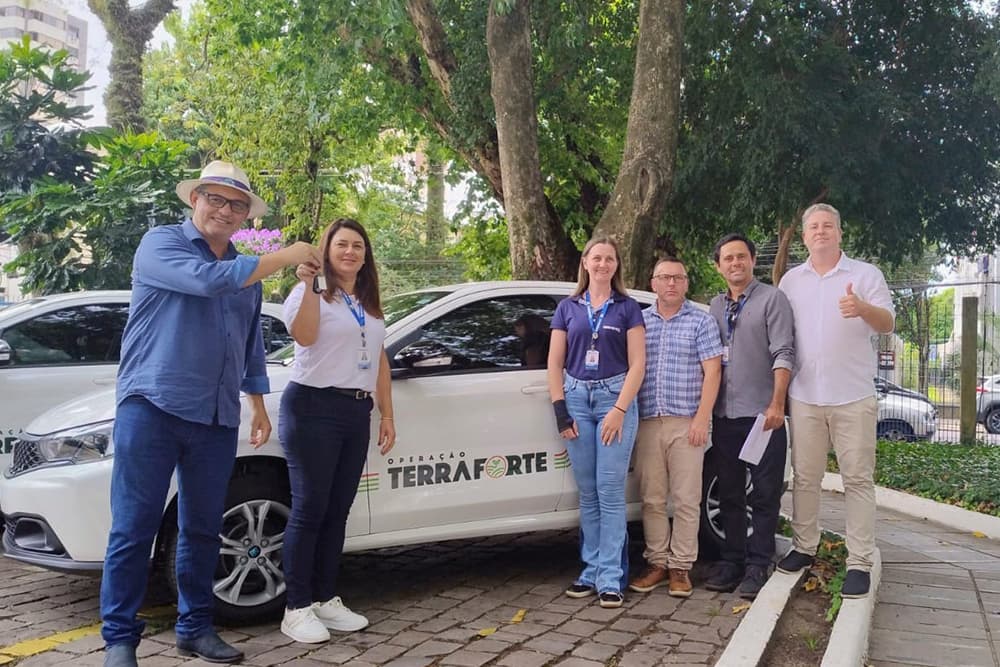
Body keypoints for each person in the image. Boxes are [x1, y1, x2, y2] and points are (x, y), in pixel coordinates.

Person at [101, 161, 322, 667]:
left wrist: (257, 404)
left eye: (237, 204)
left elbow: (248, 344)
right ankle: (119, 639)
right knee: (133, 528)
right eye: (215, 199)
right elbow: (206, 281)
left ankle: (195, 627)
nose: (224, 210)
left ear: (245, 215)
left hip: (217, 416)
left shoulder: (246, 271)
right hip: (151, 406)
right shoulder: (160, 244)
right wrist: (283, 256)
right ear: (194, 200)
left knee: (203, 529)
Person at [277, 218, 396, 643]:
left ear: (366, 256)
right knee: (309, 508)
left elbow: (378, 359)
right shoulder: (308, 292)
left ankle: (325, 598)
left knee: (338, 509)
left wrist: (387, 414)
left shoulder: (367, 300)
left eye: (358, 246)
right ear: (327, 250)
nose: (350, 252)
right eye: (342, 244)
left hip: (355, 410)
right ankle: (296, 607)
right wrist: (310, 284)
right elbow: (305, 336)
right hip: (312, 407)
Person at [777, 203, 894, 598]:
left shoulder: (865, 275)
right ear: (804, 236)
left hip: (853, 396)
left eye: (828, 225)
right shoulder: (791, 281)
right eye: (813, 226)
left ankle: (859, 561)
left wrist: (862, 308)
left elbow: (887, 323)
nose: (821, 231)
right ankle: (803, 546)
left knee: (857, 479)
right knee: (805, 477)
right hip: (805, 396)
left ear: (840, 233)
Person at [547, 236, 645, 609]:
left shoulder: (627, 308)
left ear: (616, 266)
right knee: (587, 492)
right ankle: (589, 571)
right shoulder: (567, 308)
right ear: (585, 263)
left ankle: (610, 577)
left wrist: (619, 409)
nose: (603, 264)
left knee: (609, 491)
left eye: (609, 259)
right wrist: (560, 410)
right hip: (575, 399)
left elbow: (638, 364)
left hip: (613, 399)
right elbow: (555, 363)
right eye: (597, 258)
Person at [705, 233, 795, 599]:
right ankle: (732, 561)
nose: (735, 263)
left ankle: (759, 564)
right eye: (728, 258)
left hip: (763, 417)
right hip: (725, 416)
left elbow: (784, 352)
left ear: (753, 260)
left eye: (741, 256)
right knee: (729, 493)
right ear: (718, 266)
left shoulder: (773, 299)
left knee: (764, 494)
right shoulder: (715, 306)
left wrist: (777, 404)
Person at [629, 257, 723, 598]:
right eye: (664, 277)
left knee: (686, 499)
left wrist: (702, 418)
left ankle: (681, 566)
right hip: (648, 422)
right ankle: (657, 562)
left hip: (687, 423)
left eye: (678, 278)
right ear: (653, 283)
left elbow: (713, 372)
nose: (671, 283)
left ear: (686, 283)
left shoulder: (701, 321)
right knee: (652, 498)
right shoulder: (639, 323)